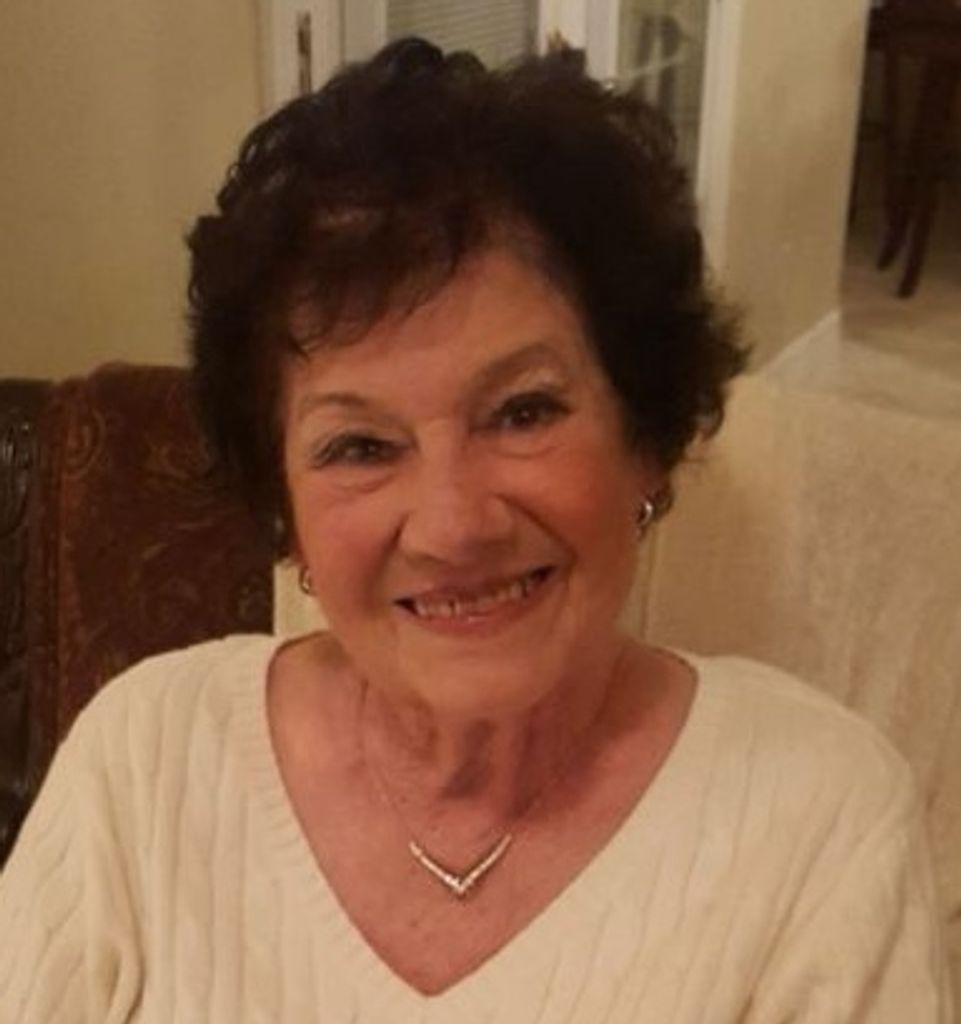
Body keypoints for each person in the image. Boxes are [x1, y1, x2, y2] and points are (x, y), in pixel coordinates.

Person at [0, 37, 950, 1023]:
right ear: (286, 511)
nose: (453, 525)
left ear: (646, 440)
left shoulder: (818, 819)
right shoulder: (143, 761)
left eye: (523, 412)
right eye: (360, 446)